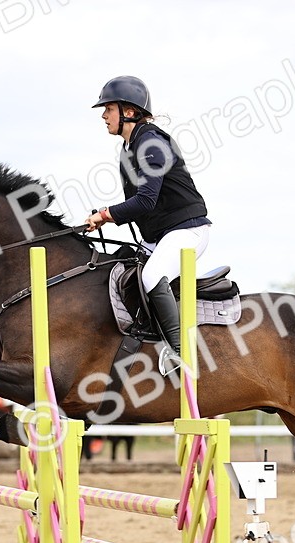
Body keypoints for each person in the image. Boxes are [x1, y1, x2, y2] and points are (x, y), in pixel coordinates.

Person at [84, 76, 211, 370]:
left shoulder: (151, 143)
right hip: (160, 235)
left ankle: (180, 353)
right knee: (121, 270)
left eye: (109, 109)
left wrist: (105, 215)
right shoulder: (129, 149)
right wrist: (107, 217)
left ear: (129, 111)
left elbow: (145, 202)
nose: (104, 116)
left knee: (151, 276)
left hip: (187, 231)